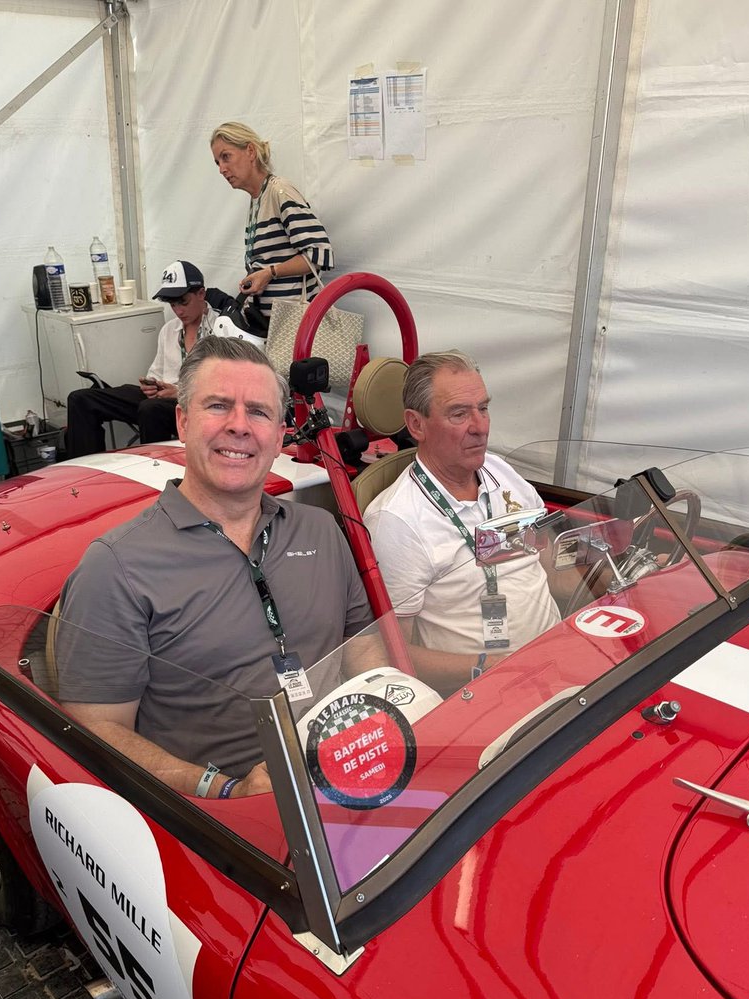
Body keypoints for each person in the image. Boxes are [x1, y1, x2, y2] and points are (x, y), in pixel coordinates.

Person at [57, 336, 374, 799]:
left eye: (259, 412)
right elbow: (97, 728)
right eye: (219, 406)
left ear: (281, 433)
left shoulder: (320, 529)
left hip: (351, 772)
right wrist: (223, 790)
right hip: (222, 822)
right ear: (183, 422)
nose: (239, 427)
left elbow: (362, 644)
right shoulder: (116, 566)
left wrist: (385, 710)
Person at [364, 350, 560, 695]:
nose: (480, 426)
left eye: (483, 408)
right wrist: (488, 666)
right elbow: (393, 655)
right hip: (486, 691)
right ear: (416, 425)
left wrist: (623, 569)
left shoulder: (501, 472)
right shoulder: (397, 521)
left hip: (556, 663)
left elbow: (551, 568)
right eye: (459, 414)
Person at [64, 260, 217, 457]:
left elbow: (226, 390)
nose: (178, 311)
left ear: (201, 294)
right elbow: (155, 373)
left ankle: (155, 472)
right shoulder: (169, 330)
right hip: (162, 400)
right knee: (80, 399)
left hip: (195, 405)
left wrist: (179, 393)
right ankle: (84, 474)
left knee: (150, 409)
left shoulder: (222, 328)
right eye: (173, 304)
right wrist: (151, 385)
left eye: (183, 302)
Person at [210, 121, 333, 325]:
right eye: (217, 162)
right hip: (274, 325)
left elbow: (319, 253)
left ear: (250, 151)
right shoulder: (259, 199)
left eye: (226, 157)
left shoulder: (279, 192)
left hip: (295, 326)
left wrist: (270, 273)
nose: (222, 169)